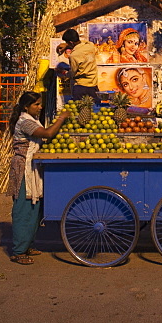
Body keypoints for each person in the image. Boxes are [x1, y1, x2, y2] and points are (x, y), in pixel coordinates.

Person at [8, 91, 70, 265]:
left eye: (40, 104)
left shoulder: (33, 119)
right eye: (36, 104)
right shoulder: (25, 121)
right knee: (23, 210)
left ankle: (28, 244)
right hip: (23, 169)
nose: (40, 107)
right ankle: (18, 251)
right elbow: (47, 134)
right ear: (27, 106)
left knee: (35, 208)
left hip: (33, 168)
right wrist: (61, 119)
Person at [61, 29, 98, 100]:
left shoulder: (74, 55)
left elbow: (73, 72)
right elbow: (85, 42)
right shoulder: (90, 46)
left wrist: (65, 73)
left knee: (79, 109)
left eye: (67, 43)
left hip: (81, 86)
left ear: (71, 42)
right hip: (93, 85)